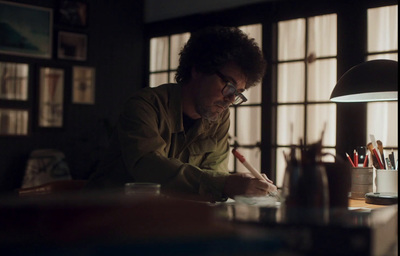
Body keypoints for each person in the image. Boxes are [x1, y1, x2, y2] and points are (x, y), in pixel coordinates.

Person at [87, 26, 277, 202]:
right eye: (229, 86)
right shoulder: (145, 105)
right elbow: (147, 167)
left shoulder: (218, 117)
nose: (230, 100)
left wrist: (229, 185)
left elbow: (213, 175)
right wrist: (225, 184)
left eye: (237, 94)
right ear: (198, 69)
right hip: (107, 214)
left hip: (166, 219)